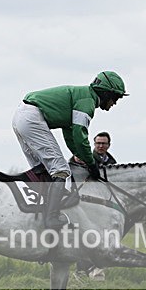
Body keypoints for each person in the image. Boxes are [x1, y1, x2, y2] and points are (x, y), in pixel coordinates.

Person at [13, 71, 128, 229]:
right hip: (32, 118)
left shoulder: (82, 96)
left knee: (43, 170)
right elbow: (80, 136)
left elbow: (70, 136)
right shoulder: (87, 102)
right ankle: (51, 218)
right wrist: (91, 162)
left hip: (22, 117)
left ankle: (42, 209)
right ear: (106, 93)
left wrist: (82, 157)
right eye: (115, 98)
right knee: (61, 170)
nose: (114, 103)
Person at [72, 131, 117, 280]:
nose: (101, 146)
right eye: (98, 143)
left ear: (109, 145)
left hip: (103, 206)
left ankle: (96, 268)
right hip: (84, 204)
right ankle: (82, 270)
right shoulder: (83, 159)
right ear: (94, 144)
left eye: (104, 143)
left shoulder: (113, 164)